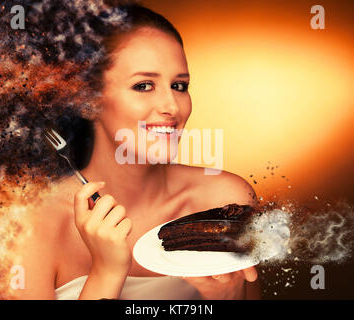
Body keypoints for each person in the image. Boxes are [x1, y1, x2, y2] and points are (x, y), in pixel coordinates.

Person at [14, 3, 260, 300]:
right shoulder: (30, 225)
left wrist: (226, 298)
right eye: (144, 86)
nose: (171, 106)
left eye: (179, 86)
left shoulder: (225, 201)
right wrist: (106, 273)